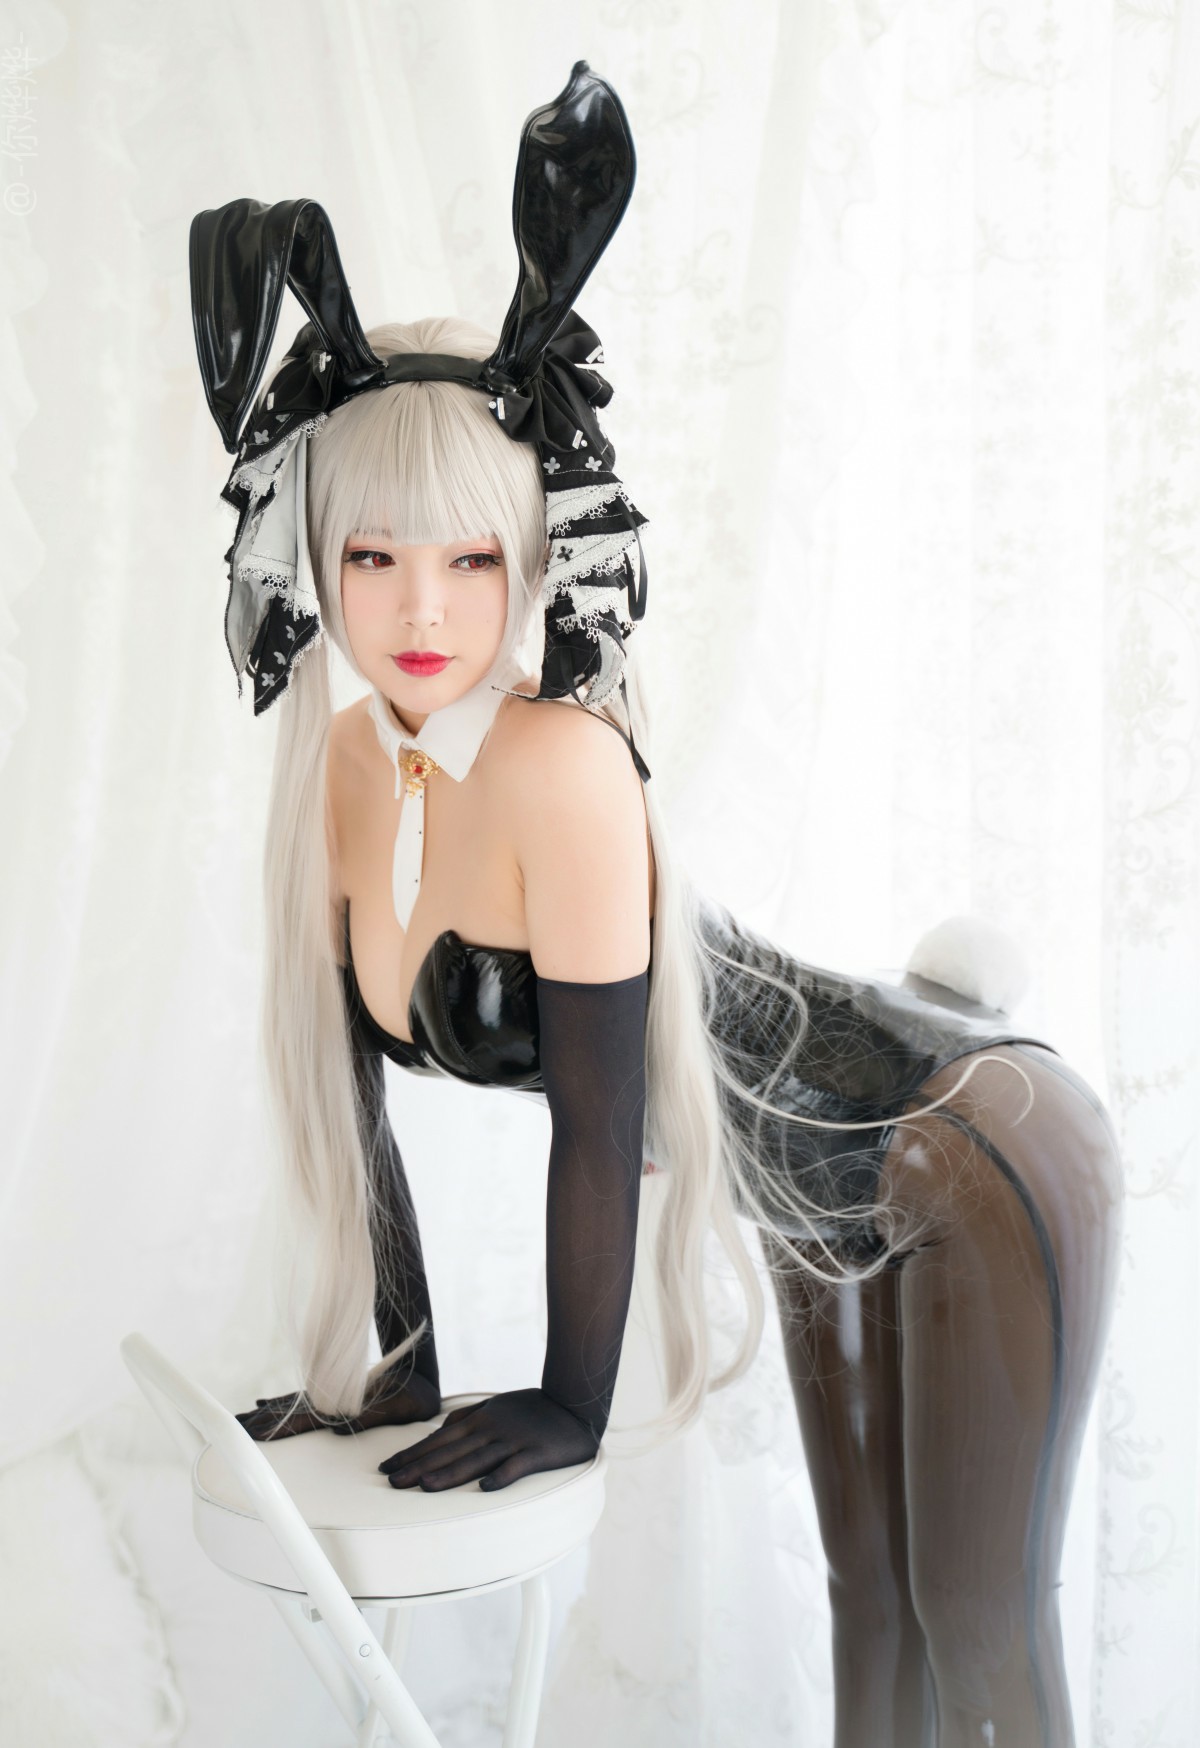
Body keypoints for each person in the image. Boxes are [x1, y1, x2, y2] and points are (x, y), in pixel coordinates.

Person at [191, 61, 1124, 1748]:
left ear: (533, 554)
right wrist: (393, 1370)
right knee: (871, 1603)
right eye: (374, 557)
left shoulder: (564, 768)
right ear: (311, 554)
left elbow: (599, 1120)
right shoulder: (340, 767)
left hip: (973, 1139)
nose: (422, 611)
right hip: (817, 1180)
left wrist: (569, 1401)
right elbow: (347, 1106)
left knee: (975, 1624)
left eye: (473, 559)